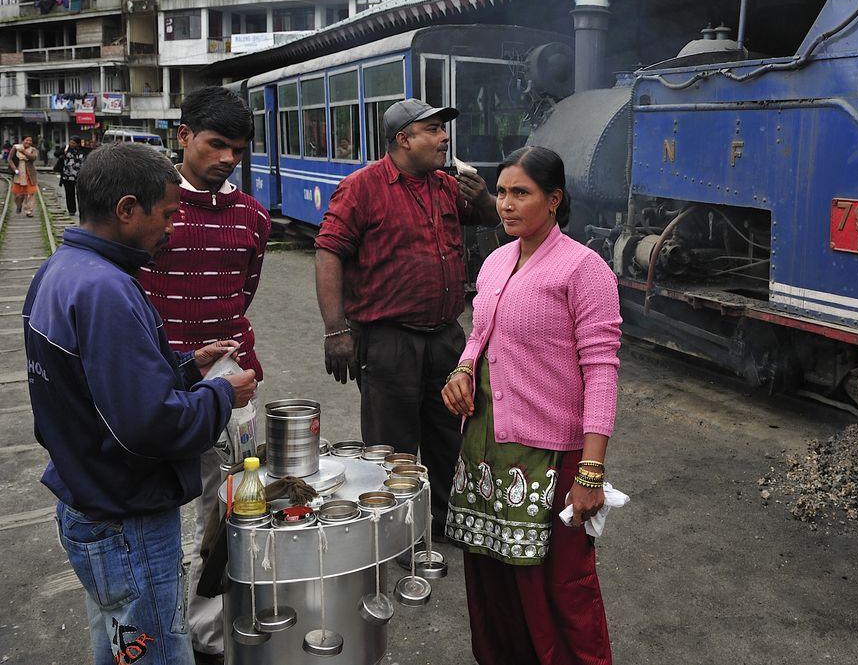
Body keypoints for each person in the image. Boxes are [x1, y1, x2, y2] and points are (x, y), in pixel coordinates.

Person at [24, 143, 258, 665]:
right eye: (168, 214)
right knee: (155, 650)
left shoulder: (61, 270)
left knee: (121, 644)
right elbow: (150, 424)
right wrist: (223, 393)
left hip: (88, 495)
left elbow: (99, 386)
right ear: (128, 210)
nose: (173, 228)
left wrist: (186, 365)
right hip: (126, 515)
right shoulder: (107, 290)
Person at [441, 145, 621, 665]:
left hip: (549, 454)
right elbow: (479, 337)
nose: (505, 204)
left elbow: (602, 371)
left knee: (561, 587)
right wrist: (462, 370)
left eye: (521, 193)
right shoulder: (497, 260)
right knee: (492, 579)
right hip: (485, 447)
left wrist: (590, 470)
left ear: (554, 199)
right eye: (501, 192)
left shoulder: (583, 270)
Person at [314, 98, 495, 538]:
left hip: (445, 339)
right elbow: (328, 252)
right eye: (433, 129)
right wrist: (337, 331)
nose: (444, 137)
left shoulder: (448, 186)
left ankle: (446, 524)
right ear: (403, 139)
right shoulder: (361, 187)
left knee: (451, 436)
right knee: (392, 446)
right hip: (388, 340)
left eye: (442, 129)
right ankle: (395, 535)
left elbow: (496, 220)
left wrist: (486, 197)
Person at [137, 86, 270, 665]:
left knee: (230, 512)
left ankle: (210, 637)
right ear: (183, 134)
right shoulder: (147, 210)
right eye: (216, 145)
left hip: (235, 389)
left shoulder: (253, 216)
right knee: (158, 513)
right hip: (161, 386)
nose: (225, 160)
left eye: (236, 151)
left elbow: (244, 293)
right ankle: (161, 634)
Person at [55, 136, 88, 216]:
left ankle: (82, 210)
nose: (71, 144)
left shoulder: (84, 150)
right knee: (69, 193)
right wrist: (63, 152)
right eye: (70, 142)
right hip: (67, 175)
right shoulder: (66, 149)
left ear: (78, 144)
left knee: (80, 194)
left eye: (73, 143)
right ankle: (71, 210)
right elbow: (56, 154)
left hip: (80, 176)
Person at [9, 136, 39, 216]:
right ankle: (19, 205)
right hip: (18, 174)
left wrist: (24, 152)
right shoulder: (15, 148)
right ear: (23, 140)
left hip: (30, 174)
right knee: (18, 194)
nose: (28, 142)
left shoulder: (33, 150)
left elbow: (33, 158)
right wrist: (14, 169)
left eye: (30, 140)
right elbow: (10, 159)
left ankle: (29, 210)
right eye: (27, 140)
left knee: (30, 193)